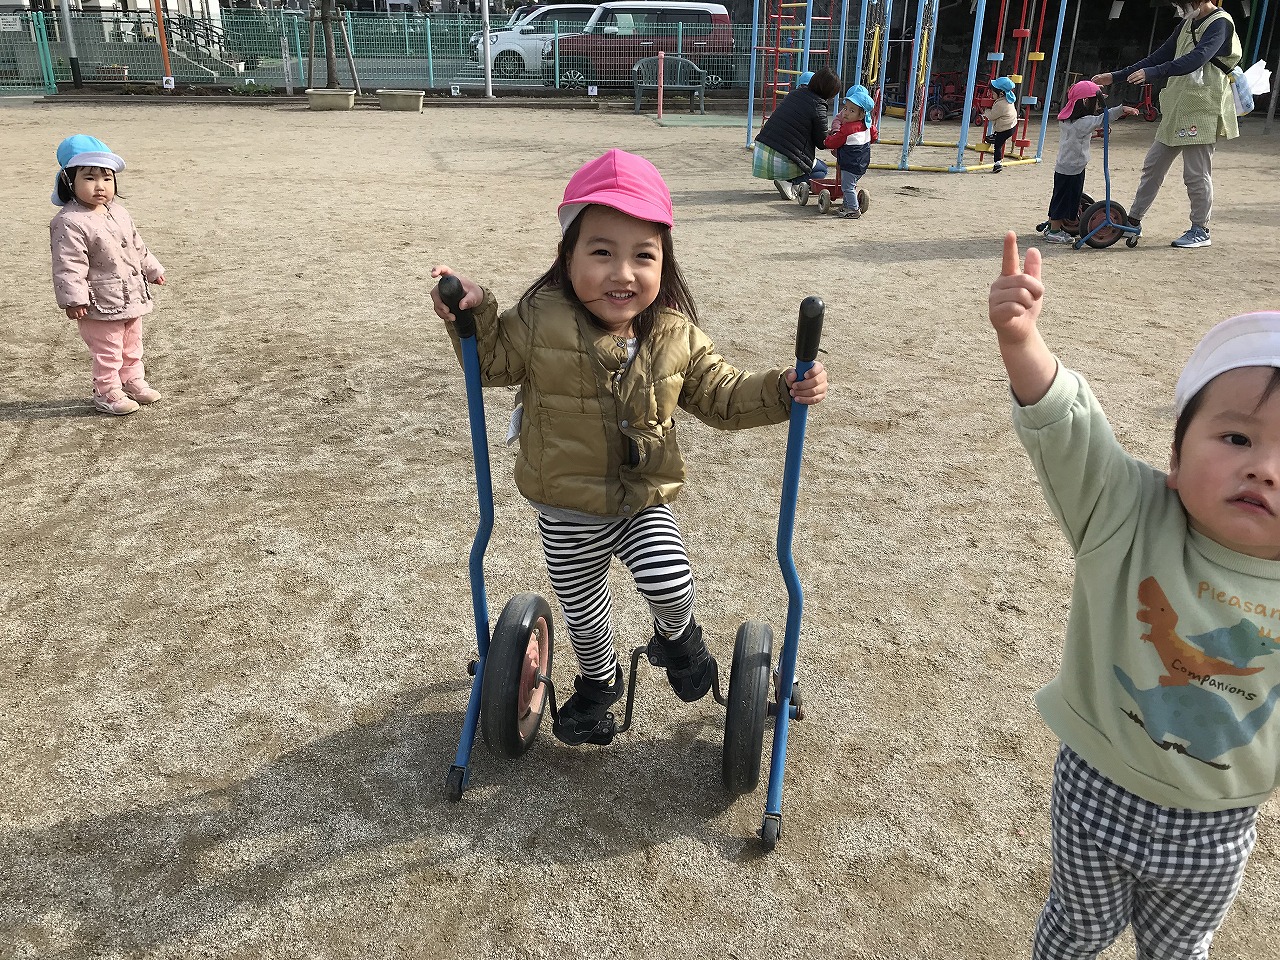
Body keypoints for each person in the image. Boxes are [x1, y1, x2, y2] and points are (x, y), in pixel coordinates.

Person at [430, 149, 829, 746]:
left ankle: (679, 637)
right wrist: (474, 314)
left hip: (641, 499)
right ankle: (600, 683)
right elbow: (487, 363)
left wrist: (782, 389)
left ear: (665, 263)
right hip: (565, 507)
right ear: (567, 257)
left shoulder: (674, 334)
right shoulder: (539, 320)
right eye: (601, 253)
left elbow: (723, 396)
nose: (623, 273)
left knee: (670, 580)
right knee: (584, 613)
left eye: (644, 255)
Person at [988, 230, 1280, 959]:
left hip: (1218, 824)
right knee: (1075, 931)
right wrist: (1023, 341)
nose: (1264, 469)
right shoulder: (1129, 513)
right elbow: (1071, 432)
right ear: (1175, 458)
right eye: (1237, 438)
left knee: (1179, 951)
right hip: (1096, 792)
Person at [1093, 0, 1241, 249]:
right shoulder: (1187, 24)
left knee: (1196, 173)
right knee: (1153, 166)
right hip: (1178, 106)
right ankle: (1133, 221)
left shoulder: (1220, 23)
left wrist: (1154, 73)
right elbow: (1158, 56)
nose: (1180, 7)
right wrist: (1115, 76)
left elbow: (1197, 58)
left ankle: (1200, 229)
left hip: (1203, 107)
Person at [49, 134, 166, 416]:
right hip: (99, 302)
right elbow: (69, 263)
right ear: (68, 181)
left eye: (107, 178)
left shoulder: (119, 212)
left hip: (131, 295)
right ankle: (106, 391)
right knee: (108, 349)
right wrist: (74, 299)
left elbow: (137, 245)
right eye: (89, 178)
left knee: (132, 343)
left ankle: (132, 380)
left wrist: (152, 269)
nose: (100, 186)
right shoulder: (69, 221)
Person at [1040, 81, 1138, 245]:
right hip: (1073, 168)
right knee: (1064, 200)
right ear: (1086, 102)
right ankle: (1054, 232)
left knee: (1060, 197)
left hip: (1065, 166)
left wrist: (1093, 135)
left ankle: (1052, 227)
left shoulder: (1067, 120)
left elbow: (1077, 137)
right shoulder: (1083, 122)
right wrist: (1122, 109)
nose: (1097, 106)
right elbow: (1103, 118)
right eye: (1096, 103)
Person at [752, 66, 843, 201]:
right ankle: (790, 183)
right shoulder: (818, 105)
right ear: (830, 92)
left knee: (808, 163)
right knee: (821, 170)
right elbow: (822, 142)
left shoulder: (794, 94)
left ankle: (790, 183)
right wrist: (836, 139)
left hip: (761, 152)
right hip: (782, 158)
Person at [823, 84, 875, 219]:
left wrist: (826, 141)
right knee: (849, 185)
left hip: (850, 163)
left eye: (852, 111)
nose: (846, 112)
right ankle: (847, 205)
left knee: (847, 187)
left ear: (861, 115)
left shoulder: (848, 129)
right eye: (845, 108)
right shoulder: (868, 127)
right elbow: (874, 136)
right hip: (862, 162)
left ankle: (853, 209)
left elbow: (835, 141)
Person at [984, 76, 1019, 173]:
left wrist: (986, 111)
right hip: (1012, 126)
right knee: (1000, 136)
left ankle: (997, 164)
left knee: (998, 146)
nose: (992, 95)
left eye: (993, 93)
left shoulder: (1000, 104)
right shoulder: (1009, 98)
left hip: (1005, 129)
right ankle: (995, 136)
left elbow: (992, 116)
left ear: (1001, 93)